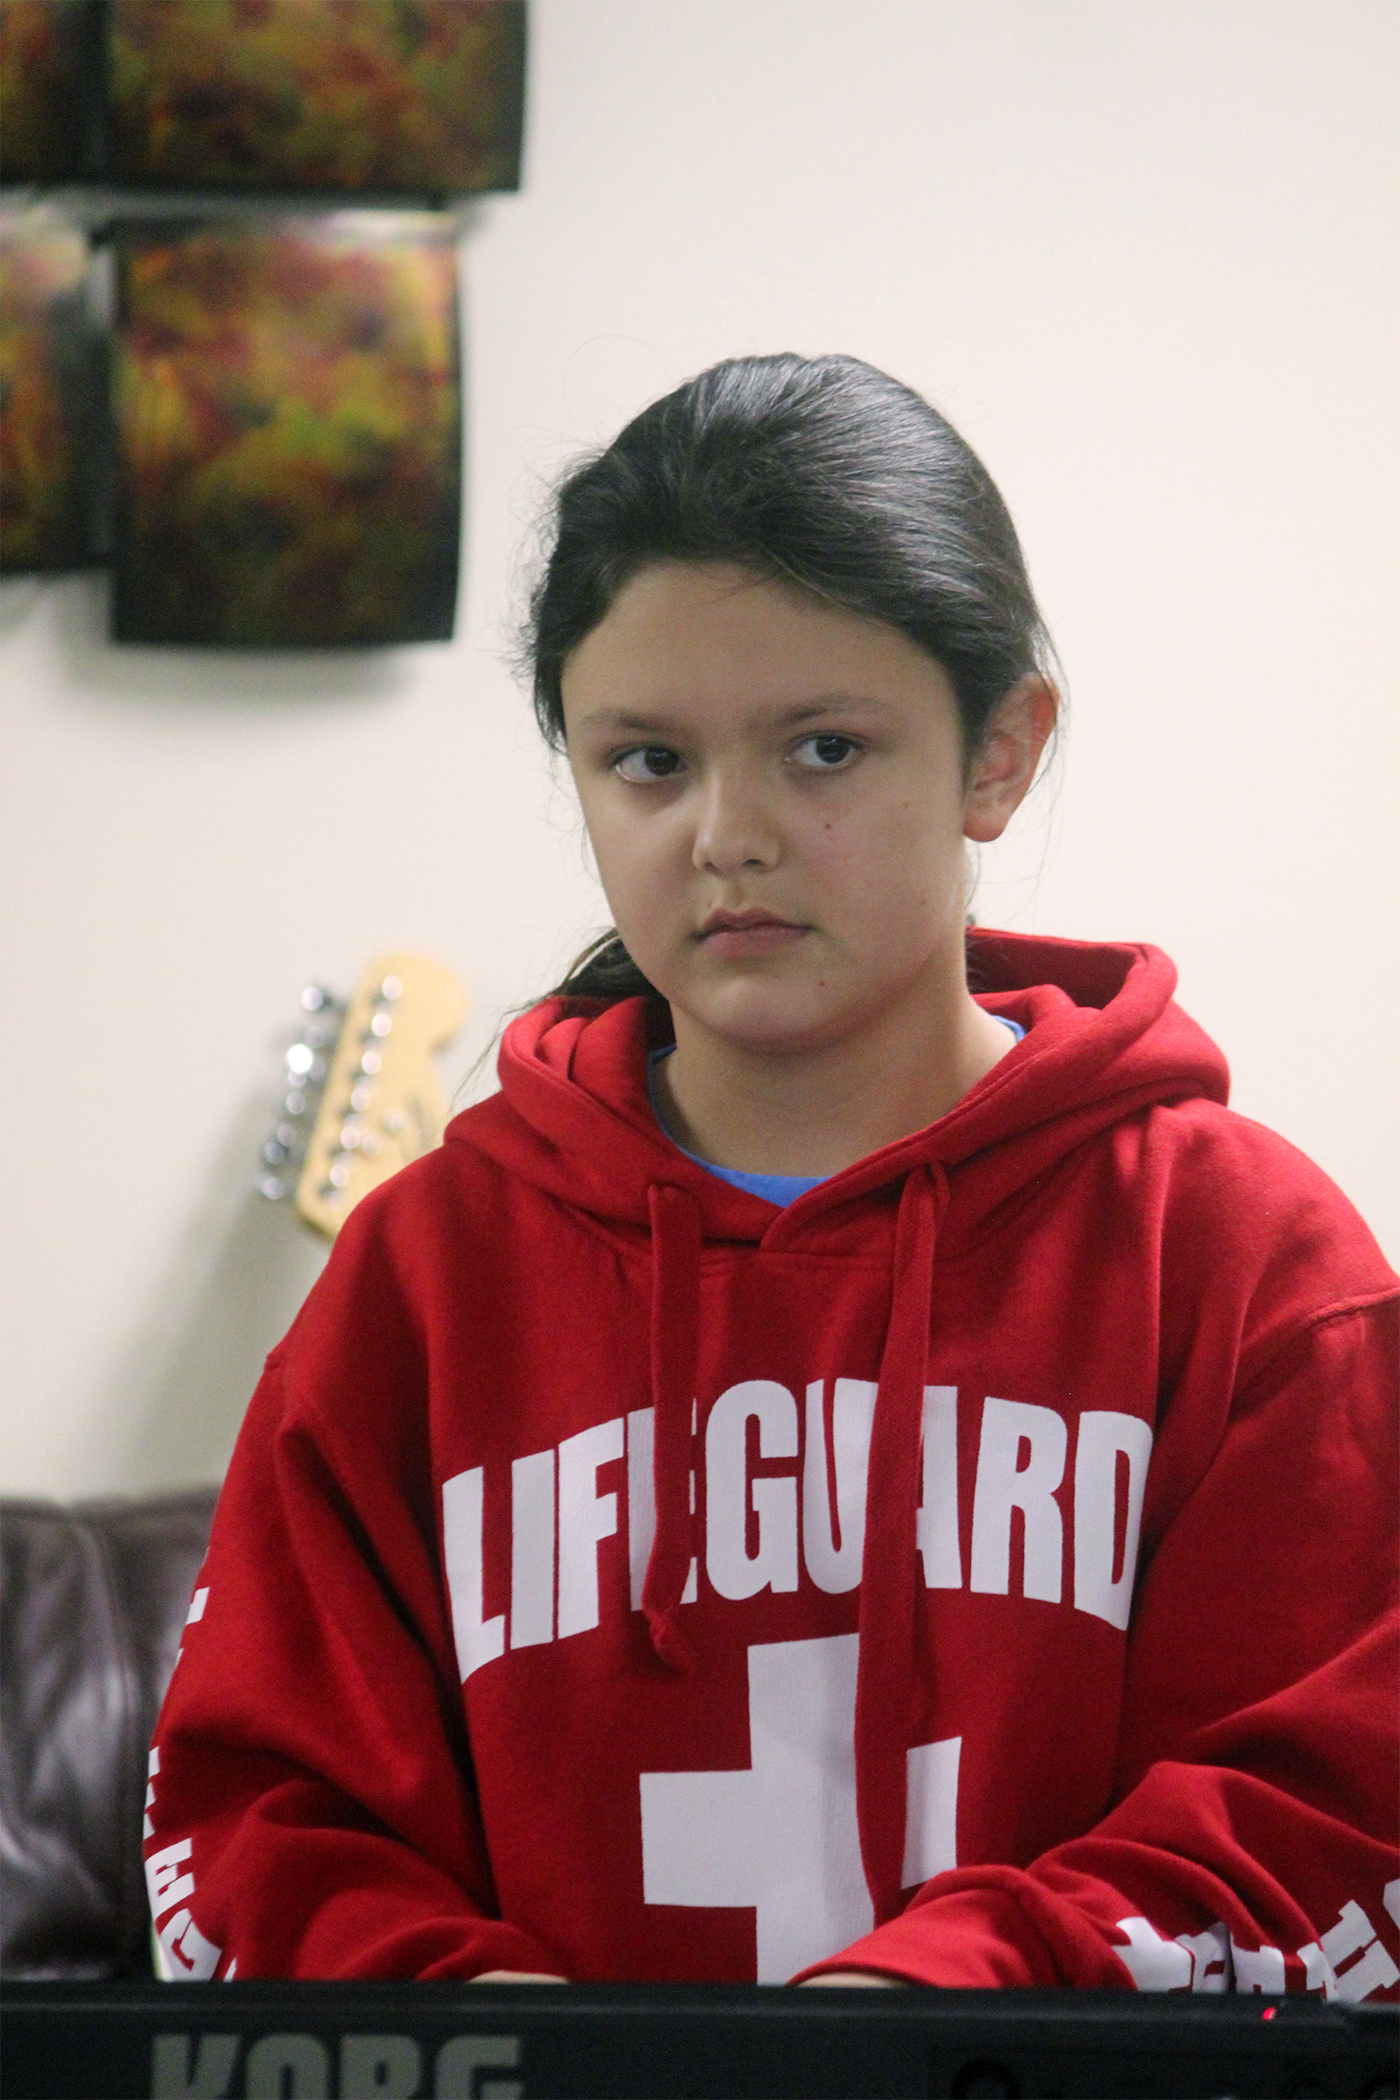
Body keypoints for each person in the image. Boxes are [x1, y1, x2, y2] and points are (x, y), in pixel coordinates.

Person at [145, 354, 1398, 1996]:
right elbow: (252, 1819)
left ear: (999, 753)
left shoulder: (1242, 1255)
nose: (727, 833)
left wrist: (927, 2025)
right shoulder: (419, 1279)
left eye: (823, 749)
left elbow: (1332, 1809)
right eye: (647, 762)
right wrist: (495, 2045)